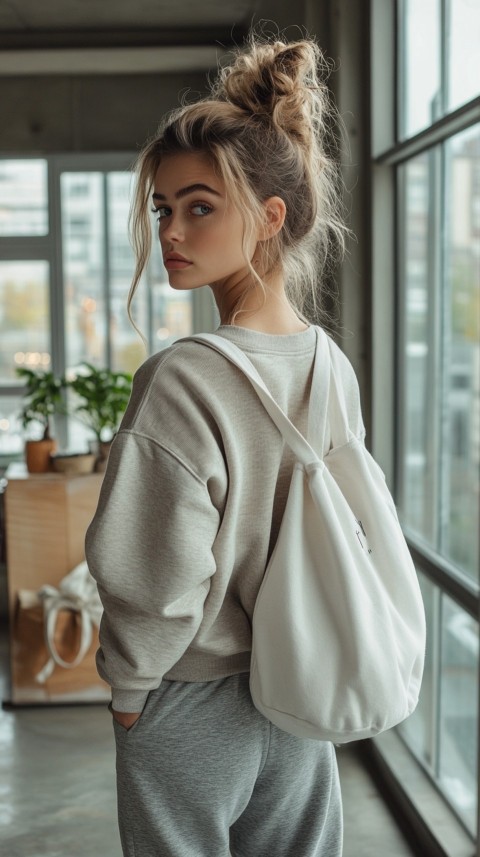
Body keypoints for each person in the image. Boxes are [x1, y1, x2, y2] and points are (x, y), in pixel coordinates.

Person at [86, 32, 365, 857]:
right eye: (163, 209)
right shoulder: (328, 365)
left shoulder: (184, 377)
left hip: (192, 698)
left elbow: (157, 569)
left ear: (270, 216)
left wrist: (130, 690)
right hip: (300, 693)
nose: (172, 229)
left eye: (199, 205)